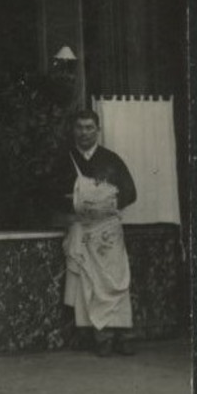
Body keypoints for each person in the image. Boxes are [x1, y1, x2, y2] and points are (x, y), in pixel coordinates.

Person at [50, 109, 137, 357]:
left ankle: (123, 334)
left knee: (115, 280)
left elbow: (130, 192)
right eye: (80, 127)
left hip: (108, 231)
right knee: (88, 281)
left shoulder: (112, 160)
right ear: (73, 130)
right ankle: (101, 337)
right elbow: (50, 194)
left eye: (89, 127)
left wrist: (104, 202)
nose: (84, 132)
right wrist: (75, 202)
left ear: (98, 130)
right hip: (80, 227)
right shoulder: (63, 160)